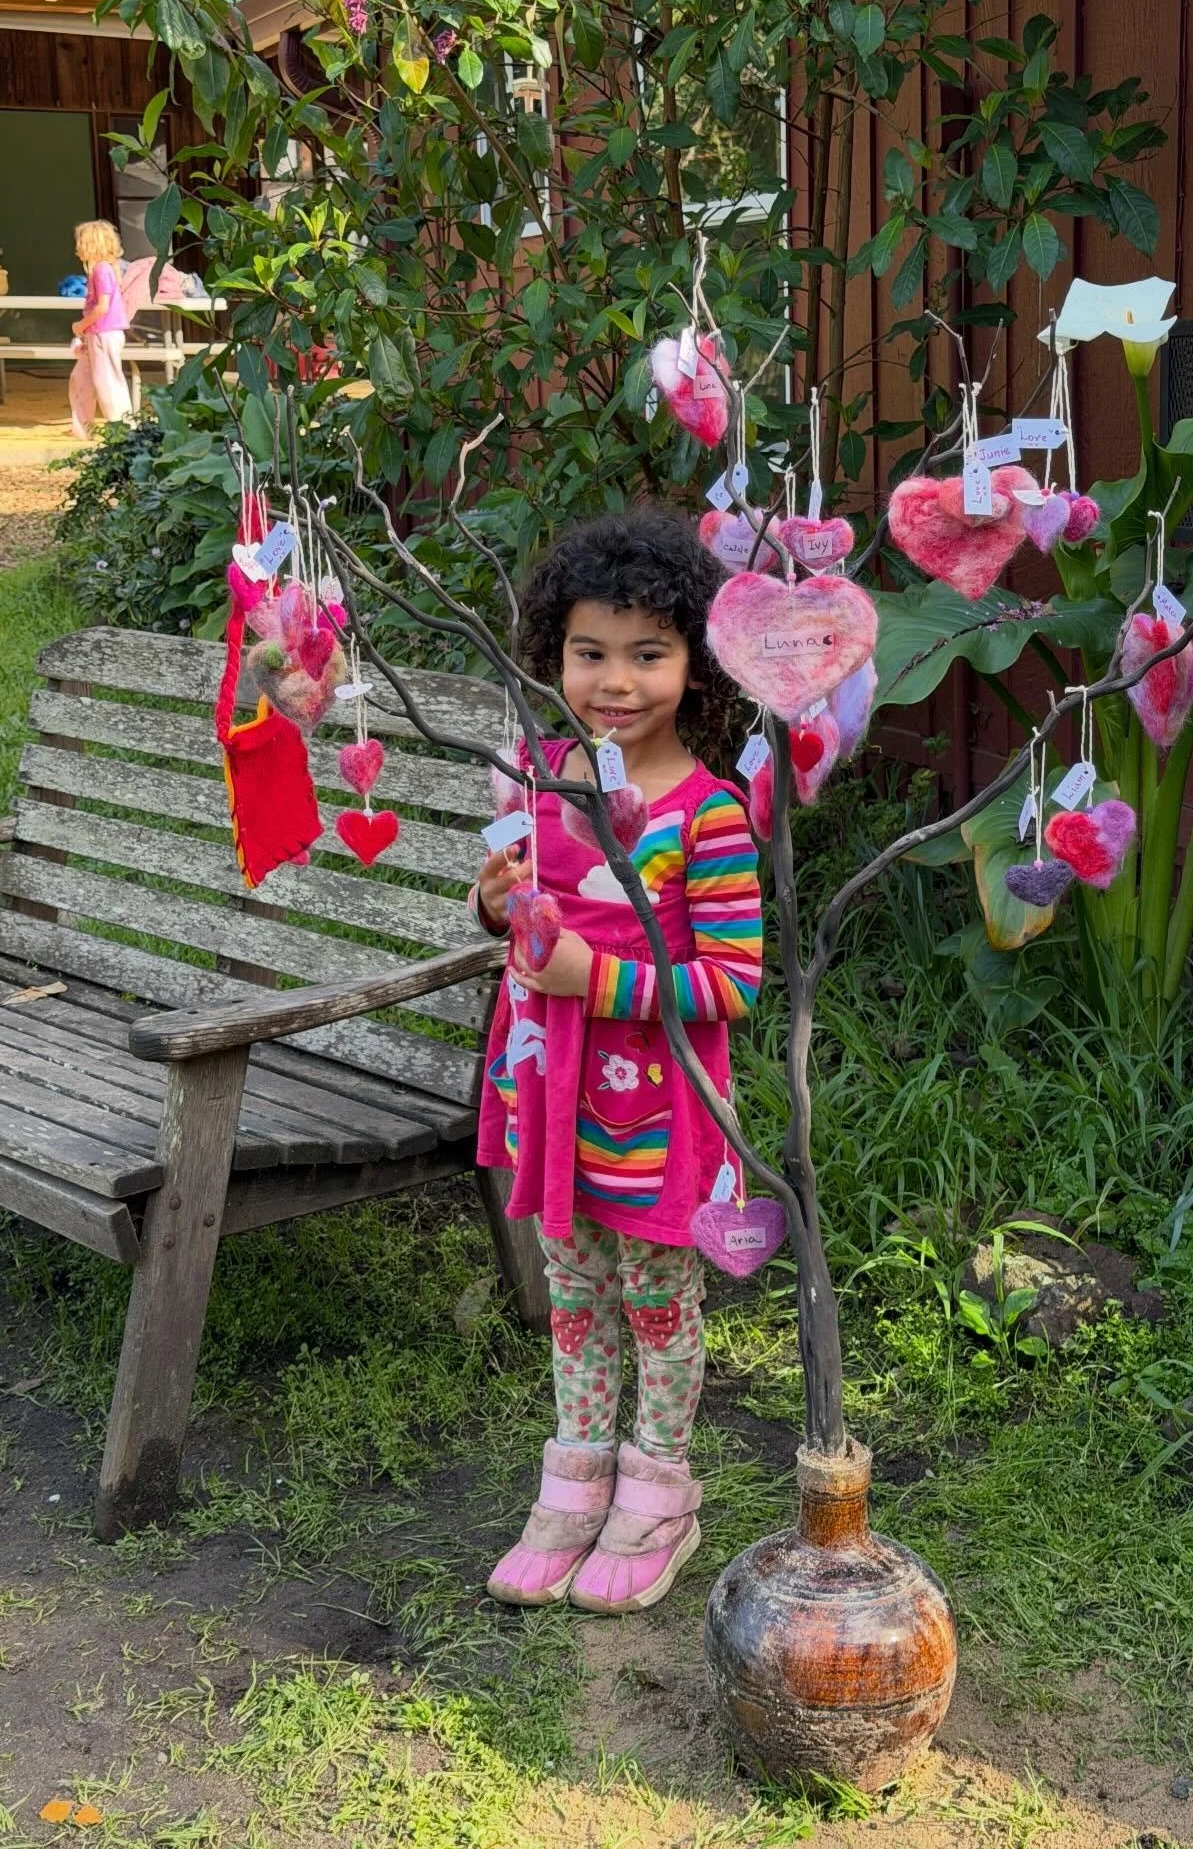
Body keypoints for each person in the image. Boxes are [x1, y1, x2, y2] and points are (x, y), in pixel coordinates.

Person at [473, 507, 762, 1615]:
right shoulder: (540, 782)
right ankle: (575, 1484)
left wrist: (594, 979)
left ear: (695, 663)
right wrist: (494, 904)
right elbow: (519, 912)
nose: (616, 682)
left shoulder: (707, 817)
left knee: (654, 1297)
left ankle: (658, 1495)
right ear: (557, 654)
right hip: (552, 1097)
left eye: (649, 654)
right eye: (590, 653)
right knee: (573, 1292)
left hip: (654, 1114)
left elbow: (731, 984)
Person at [68, 220, 133, 439]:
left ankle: (121, 428)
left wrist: (81, 325)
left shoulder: (102, 270)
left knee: (108, 382)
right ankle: (83, 427)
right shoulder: (101, 269)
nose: (78, 247)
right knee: (81, 378)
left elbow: (102, 307)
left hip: (103, 334)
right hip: (96, 334)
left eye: (81, 242)